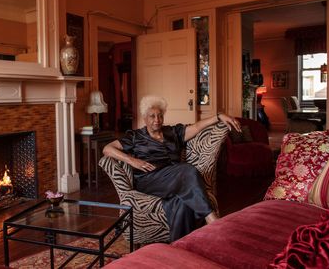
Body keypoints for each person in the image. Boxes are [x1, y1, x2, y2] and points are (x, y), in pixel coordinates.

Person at [103, 95, 241, 242]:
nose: (157, 120)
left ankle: (179, 245)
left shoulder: (173, 132)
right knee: (188, 170)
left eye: (160, 115)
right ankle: (210, 217)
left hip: (175, 178)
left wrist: (218, 116)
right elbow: (107, 149)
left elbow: (196, 127)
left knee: (180, 202)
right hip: (149, 179)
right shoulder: (136, 136)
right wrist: (132, 161)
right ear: (144, 118)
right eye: (152, 116)